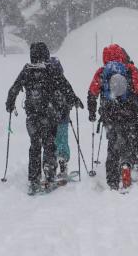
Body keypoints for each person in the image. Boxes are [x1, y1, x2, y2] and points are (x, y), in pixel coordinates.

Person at [6, 42, 82, 195]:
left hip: (32, 117)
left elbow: (14, 88)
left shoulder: (26, 70)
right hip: (49, 115)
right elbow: (64, 85)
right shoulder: (51, 69)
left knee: (34, 146)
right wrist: (74, 99)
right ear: (46, 54)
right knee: (49, 145)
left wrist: (10, 103)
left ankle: (34, 180)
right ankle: (49, 174)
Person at [87, 44, 138, 191]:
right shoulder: (129, 69)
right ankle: (127, 165)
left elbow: (92, 93)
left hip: (110, 114)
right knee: (130, 140)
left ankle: (112, 179)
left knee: (113, 144)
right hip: (129, 112)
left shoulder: (102, 72)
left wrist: (92, 112)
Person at [46, 55, 82, 184]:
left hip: (49, 119)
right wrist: (76, 101)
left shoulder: (45, 81)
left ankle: (49, 167)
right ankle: (62, 165)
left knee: (50, 142)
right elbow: (71, 94)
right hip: (63, 117)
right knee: (62, 141)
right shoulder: (62, 80)